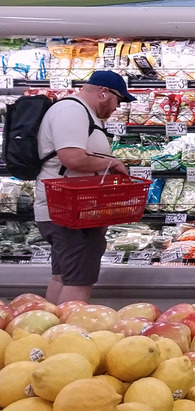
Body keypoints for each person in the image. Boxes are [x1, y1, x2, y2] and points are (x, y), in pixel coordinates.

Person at [35, 70, 135, 304]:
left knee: (62, 276)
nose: (117, 108)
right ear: (103, 93)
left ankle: (53, 331)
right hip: (70, 212)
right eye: (118, 100)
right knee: (78, 280)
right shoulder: (72, 111)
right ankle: (69, 337)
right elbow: (73, 158)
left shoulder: (78, 112)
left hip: (69, 209)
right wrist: (111, 163)